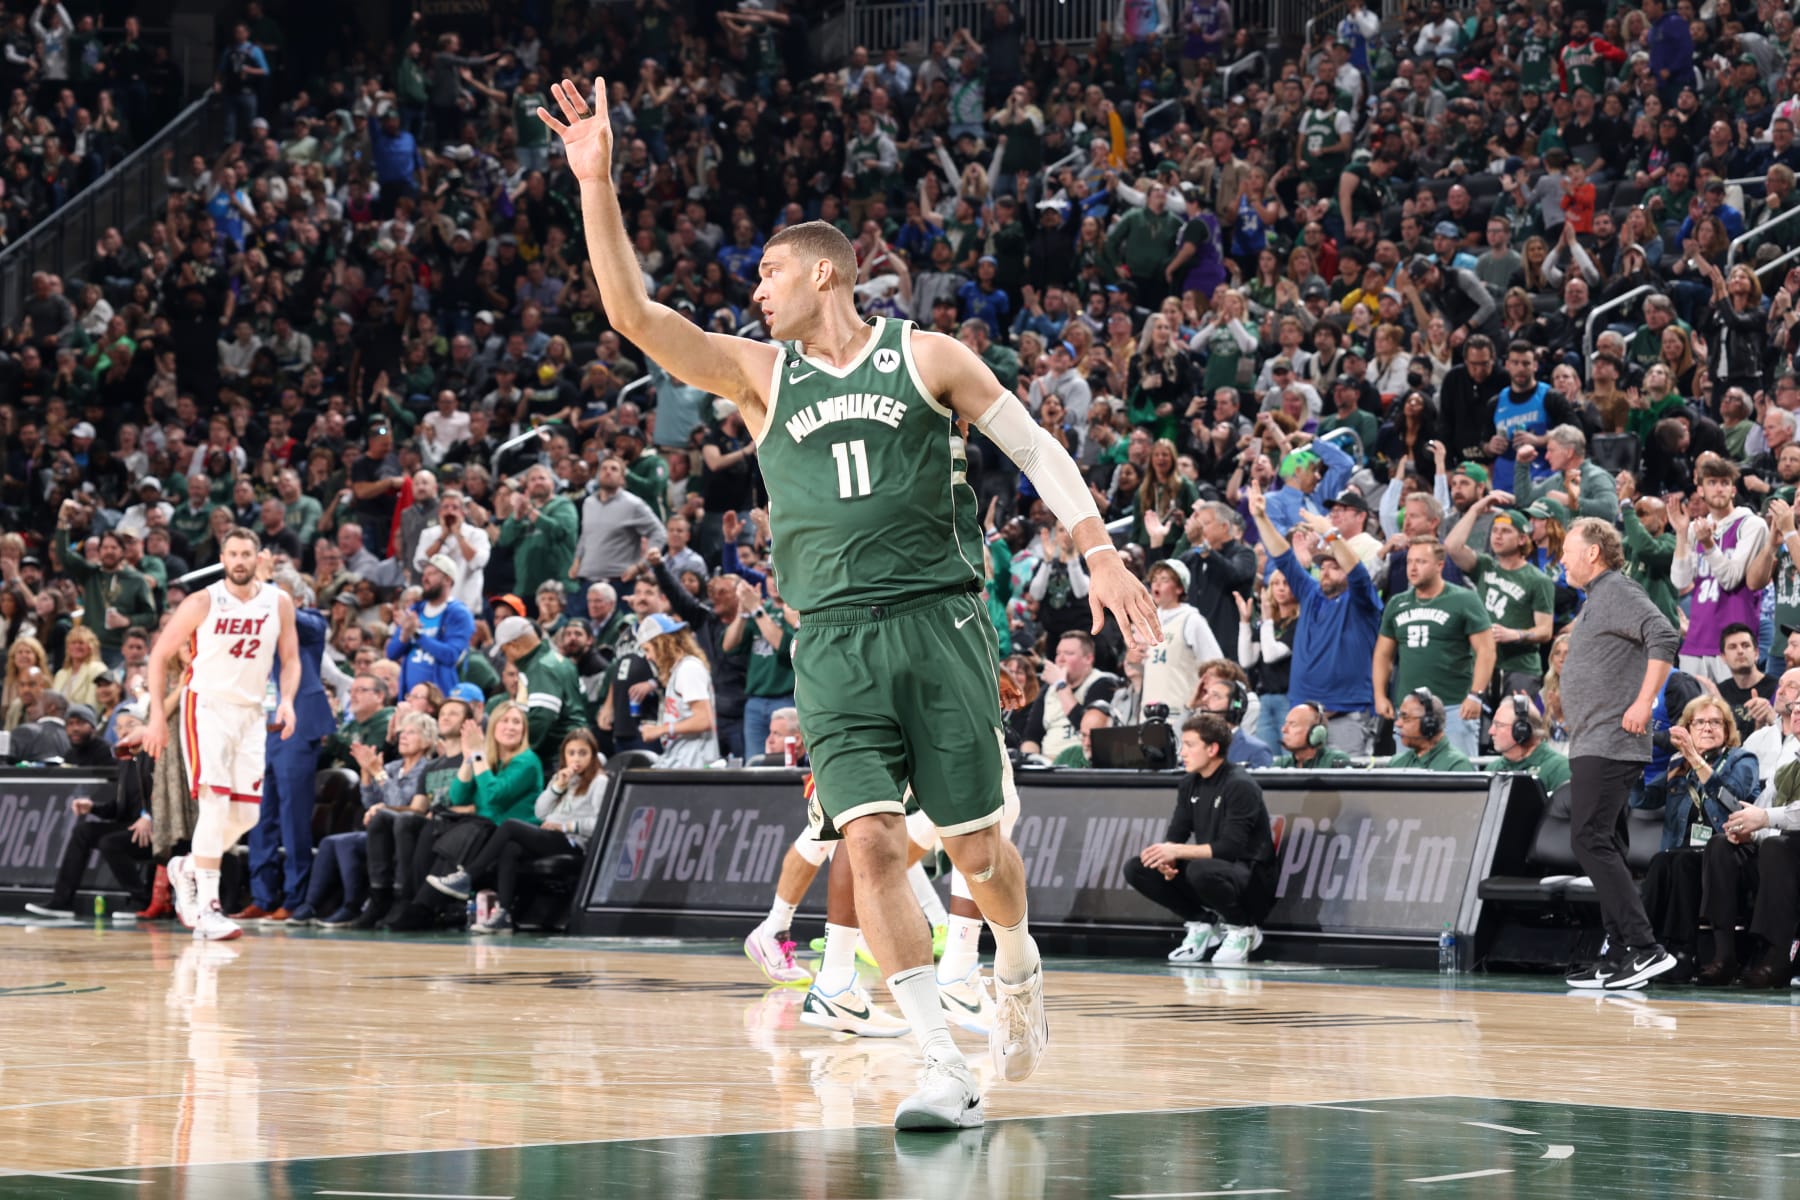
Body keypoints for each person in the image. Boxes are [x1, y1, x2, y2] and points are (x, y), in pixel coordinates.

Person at [541, 76, 1158, 1130]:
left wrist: (1098, 552)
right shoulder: (757, 375)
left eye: (771, 272)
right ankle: (938, 1065)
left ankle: (1014, 955)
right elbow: (632, 313)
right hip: (829, 638)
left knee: (979, 856)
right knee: (868, 842)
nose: (758, 292)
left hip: (941, 623)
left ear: (826, 269)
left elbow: (1038, 447)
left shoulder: (928, 357)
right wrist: (597, 184)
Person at [139, 528, 300, 942]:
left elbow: (291, 658)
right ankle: (209, 908)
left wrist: (288, 700)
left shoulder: (278, 602)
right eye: (233, 554)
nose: (240, 561)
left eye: (247, 553)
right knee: (215, 803)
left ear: (258, 556)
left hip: (250, 713)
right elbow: (158, 656)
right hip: (206, 706)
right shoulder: (203, 601)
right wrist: (157, 717)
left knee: (246, 815)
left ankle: (188, 867)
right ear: (223, 558)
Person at [1560, 517, 1683, 991]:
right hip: (1594, 740)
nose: (1563, 558)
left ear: (1593, 552)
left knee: (1589, 840)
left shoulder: (1616, 588)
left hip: (1610, 742)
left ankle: (1645, 947)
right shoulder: (1597, 598)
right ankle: (1621, 953)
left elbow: (1665, 635)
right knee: (1604, 844)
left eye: (1569, 549)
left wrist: (1640, 702)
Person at [1123, 713, 1277, 966]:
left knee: (1199, 869)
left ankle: (1243, 928)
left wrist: (1175, 852)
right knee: (1139, 866)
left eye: (1190, 745)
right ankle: (1202, 923)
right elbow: (1176, 834)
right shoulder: (1188, 784)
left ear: (1212, 748)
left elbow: (1230, 847)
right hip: (1212, 868)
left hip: (1251, 874)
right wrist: (1167, 861)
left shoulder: (1240, 785)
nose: (1183, 752)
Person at [429, 727, 606, 933]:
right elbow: (540, 812)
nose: (576, 758)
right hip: (551, 836)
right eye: (571, 753)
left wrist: (565, 825)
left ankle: (468, 876)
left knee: (510, 825)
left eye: (583, 753)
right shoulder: (562, 779)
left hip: (574, 841)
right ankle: (503, 913)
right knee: (510, 848)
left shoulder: (599, 781)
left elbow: (600, 822)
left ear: (593, 755)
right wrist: (557, 787)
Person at [1249, 487, 1383, 754]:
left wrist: (1331, 534)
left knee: (1348, 791)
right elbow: (1283, 558)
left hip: (1348, 715)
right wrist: (1261, 518)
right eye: (1323, 567)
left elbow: (1357, 573)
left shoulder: (1362, 601)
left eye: (1335, 567)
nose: (1326, 572)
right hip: (1301, 716)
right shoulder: (1311, 594)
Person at [237, 568, 335, 922]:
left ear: (295, 599)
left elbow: (298, 621)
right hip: (258, 730)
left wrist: (265, 592)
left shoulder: (309, 625)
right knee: (259, 817)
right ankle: (262, 896)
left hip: (296, 727)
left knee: (293, 816)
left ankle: (295, 899)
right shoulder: (255, 632)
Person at [1373, 537, 1496, 758]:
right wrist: (1380, 695)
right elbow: (1383, 654)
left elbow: (1486, 650)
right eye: (1410, 561)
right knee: (1407, 780)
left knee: (1458, 780)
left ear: (1440, 565)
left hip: (1455, 706)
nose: (1412, 567)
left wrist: (1476, 695)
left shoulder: (1464, 599)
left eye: (1420, 561)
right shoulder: (1397, 603)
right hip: (1408, 710)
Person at [1670, 456, 1769, 683]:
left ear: (1733, 490)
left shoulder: (1751, 524)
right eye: (1712, 482)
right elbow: (1680, 580)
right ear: (1701, 489)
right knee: (1693, 715)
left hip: (1735, 641)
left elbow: (1731, 579)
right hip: (1697, 638)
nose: (1719, 489)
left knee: (1733, 715)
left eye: (1724, 483)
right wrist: (1682, 533)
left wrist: (1708, 545)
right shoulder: (1697, 528)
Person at [1443, 498, 1554, 691]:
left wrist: (1515, 634)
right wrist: (1476, 508)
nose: (1497, 536)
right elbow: (1452, 546)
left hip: (1520, 667)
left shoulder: (1538, 580)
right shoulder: (1484, 566)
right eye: (1494, 531)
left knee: (1514, 719)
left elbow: (1545, 630)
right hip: (1482, 662)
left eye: (1506, 531)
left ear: (1522, 539)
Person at [491, 614, 586, 763]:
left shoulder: (541, 667)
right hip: (572, 746)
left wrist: (518, 752)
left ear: (514, 645)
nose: (507, 658)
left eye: (504, 651)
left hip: (556, 755)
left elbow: (542, 717)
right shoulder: (558, 660)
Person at [635, 613, 720, 768]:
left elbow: (704, 720)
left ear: (662, 643)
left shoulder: (688, 669)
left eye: (648, 649)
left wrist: (661, 730)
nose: (647, 657)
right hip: (680, 759)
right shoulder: (679, 670)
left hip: (693, 763)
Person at [1141, 559, 1220, 724]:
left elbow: (1215, 664)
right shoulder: (1149, 622)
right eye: (1154, 580)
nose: (1157, 585)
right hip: (1148, 714)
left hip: (1180, 714)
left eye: (1164, 579)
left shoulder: (1192, 620)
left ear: (1179, 588)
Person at [386, 555, 475, 698]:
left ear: (447, 579)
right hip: (410, 696)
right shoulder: (415, 610)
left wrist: (416, 635)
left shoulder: (459, 613)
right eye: (424, 574)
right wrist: (404, 635)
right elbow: (391, 653)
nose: (424, 579)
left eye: (432, 574)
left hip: (440, 697)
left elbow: (450, 655)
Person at [1484, 693, 1570, 791]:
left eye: (1499, 725)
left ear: (1522, 730)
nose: (1491, 731)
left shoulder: (1560, 770)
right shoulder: (1492, 768)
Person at [1194, 673, 1275, 767]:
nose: (1205, 700)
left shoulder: (1256, 750)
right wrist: (1189, 707)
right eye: (1206, 694)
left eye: (1216, 696)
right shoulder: (1195, 745)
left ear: (1234, 706)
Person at [1715, 622, 1777, 741]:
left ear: (1756, 653)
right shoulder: (1719, 691)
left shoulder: (1777, 688)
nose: (1740, 651)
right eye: (1732, 647)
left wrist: (1772, 717)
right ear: (1723, 657)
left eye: (1745, 645)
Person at [1387, 688, 1476, 771]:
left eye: (1405, 717)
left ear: (1429, 724)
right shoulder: (1396, 763)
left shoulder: (1457, 765)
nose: (1397, 724)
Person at [1271, 702, 1353, 769]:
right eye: (1286, 724)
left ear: (1316, 732)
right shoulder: (1281, 764)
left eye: (1293, 724)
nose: (1284, 730)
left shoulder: (1335, 761)